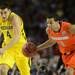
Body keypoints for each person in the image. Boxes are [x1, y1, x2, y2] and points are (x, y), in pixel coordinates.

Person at [0, 3, 31, 75]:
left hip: (22, 49)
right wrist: (4, 49)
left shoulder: (14, 18)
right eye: (1, 13)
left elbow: (16, 36)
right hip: (9, 50)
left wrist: (3, 49)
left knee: (25, 73)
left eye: (5, 12)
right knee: (2, 70)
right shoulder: (0, 19)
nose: (3, 15)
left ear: (9, 11)